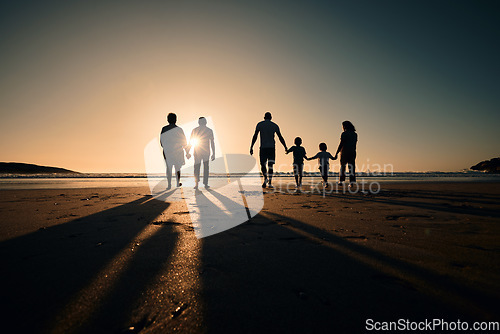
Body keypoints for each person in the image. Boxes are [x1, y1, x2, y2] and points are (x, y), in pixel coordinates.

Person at [250, 112, 287, 188]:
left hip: (263, 148)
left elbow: (255, 136)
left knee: (263, 165)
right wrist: (285, 147)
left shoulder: (260, 124)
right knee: (270, 165)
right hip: (271, 148)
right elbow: (280, 137)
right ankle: (269, 182)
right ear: (271, 117)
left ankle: (265, 178)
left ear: (264, 117)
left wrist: (251, 146)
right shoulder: (274, 125)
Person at [160, 113, 190, 189]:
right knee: (177, 168)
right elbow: (184, 142)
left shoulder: (164, 129)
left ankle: (169, 184)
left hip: (167, 151)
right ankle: (177, 183)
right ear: (176, 119)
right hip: (178, 151)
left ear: (168, 120)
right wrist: (187, 152)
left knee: (169, 168)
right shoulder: (179, 130)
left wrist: (166, 148)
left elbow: (161, 141)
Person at [188, 117, 215, 189]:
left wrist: (188, 152)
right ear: (205, 122)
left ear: (199, 122)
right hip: (205, 151)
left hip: (197, 151)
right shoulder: (209, 130)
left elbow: (190, 142)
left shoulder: (195, 130)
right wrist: (213, 153)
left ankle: (197, 183)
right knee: (206, 168)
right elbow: (212, 142)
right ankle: (205, 183)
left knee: (196, 167)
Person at [334, 120, 358, 185]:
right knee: (352, 167)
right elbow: (355, 144)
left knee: (343, 166)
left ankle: (341, 181)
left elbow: (341, 144)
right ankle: (352, 182)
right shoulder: (355, 134)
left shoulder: (344, 134)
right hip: (352, 152)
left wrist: (337, 152)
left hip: (344, 151)